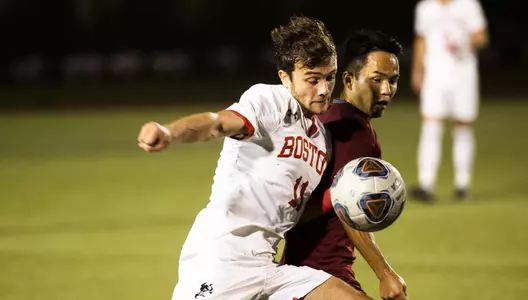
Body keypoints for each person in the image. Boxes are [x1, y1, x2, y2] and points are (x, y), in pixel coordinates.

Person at [137, 16, 372, 300]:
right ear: (285, 77)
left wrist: (342, 196)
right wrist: (170, 132)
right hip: (222, 262)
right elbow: (217, 123)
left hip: (269, 269)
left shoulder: (321, 140)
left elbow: (291, 214)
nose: (323, 89)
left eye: (329, 76)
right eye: (312, 79)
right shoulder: (270, 102)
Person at [282, 29, 408, 300]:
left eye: (393, 80)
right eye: (377, 80)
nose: (386, 90)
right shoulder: (353, 130)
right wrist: (385, 273)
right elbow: (348, 201)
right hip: (320, 274)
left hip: (297, 273)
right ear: (349, 79)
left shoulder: (327, 116)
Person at [410, 0, 489, 202]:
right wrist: (417, 71)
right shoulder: (425, 8)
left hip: (463, 74)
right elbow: (421, 40)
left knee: (462, 126)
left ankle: (462, 185)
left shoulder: (469, 5)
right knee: (431, 124)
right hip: (435, 76)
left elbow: (481, 37)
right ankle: (426, 184)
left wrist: (464, 43)